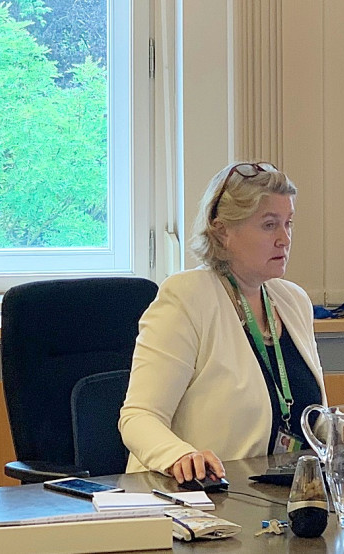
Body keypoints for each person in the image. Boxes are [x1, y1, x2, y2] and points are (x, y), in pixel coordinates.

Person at [119, 162, 327, 483]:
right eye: (269, 225)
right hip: (196, 497)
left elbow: (300, 415)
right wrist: (180, 455)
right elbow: (138, 417)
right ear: (222, 231)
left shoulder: (293, 301)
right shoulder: (186, 297)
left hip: (279, 495)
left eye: (289, 223)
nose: (284, 239)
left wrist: (342, 428)